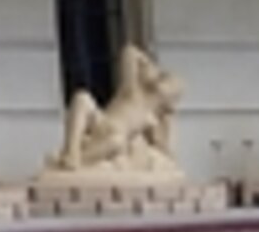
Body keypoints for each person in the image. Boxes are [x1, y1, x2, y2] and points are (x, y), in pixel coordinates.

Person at [52, 43, 182, 174]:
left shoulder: (153, 119)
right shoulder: (133, 91)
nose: (166, 86)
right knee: (82, 98)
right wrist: (148, 64)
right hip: (101, 122)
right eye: (165, 79)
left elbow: (161, 146)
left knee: (117, 142)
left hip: (114, 138)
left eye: (173, 90)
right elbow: (129, 52)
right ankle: (71, 150)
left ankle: (81, 161)